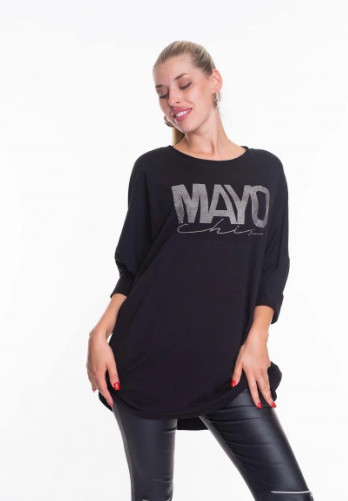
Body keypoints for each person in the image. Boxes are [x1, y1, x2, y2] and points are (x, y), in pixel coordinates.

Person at [87, 40, 314, 501]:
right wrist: (99, 333)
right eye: (162, 92)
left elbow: (274, 266)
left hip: (230, 366)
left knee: (289, 494)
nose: (173, 99)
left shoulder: (265, 169)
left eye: (184, 84)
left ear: (214, 81)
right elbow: (133, 268)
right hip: (145, 361)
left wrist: (258, 338)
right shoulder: (153, 169)